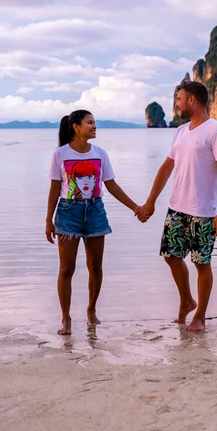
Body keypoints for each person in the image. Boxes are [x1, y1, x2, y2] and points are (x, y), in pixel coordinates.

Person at [137, 81, 217, 332]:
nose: (176, 103)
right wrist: (150, 201)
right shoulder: (180, 132)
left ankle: (199, 316)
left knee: (202, 263)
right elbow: (167, 168)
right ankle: (187, 300)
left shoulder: (216, 130)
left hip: (204, 211)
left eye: (179, 99)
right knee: (171, 256)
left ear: (192, 100)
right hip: (177, 208)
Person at [46, 109, 141, 335]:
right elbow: (53, 190)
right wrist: (48, 221)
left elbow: (112, 185)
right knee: (67, 268)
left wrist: (136, 208)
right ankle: (66, 318)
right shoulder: (60, 154)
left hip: (96, 211)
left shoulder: (100, 153)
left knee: (95, 266)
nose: (94, 126)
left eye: (95, 122)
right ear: (76, 127)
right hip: (68, 213)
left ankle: (91, 310)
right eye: (90, 123)